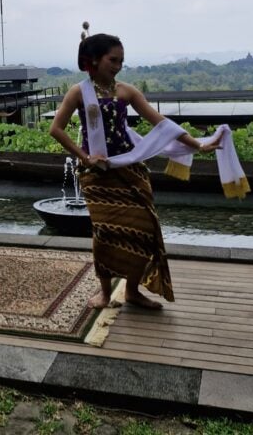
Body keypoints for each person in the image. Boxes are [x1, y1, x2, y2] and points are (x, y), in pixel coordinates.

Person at [50, 25, 222, 309]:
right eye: (112, 60)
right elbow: (57, 129)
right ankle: (105, 293)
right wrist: (84, 156)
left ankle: (132, 290)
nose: (118, 66)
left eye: (121, 61)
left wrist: (198, 145)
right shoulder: (78, 93)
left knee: (143, 229)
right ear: (94, 60)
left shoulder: (126, 91)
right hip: (98, 175)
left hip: (131, 169)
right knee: (104, 233)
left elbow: (162, 123)